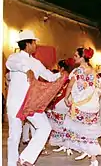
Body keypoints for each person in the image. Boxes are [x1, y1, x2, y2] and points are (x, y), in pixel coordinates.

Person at [6, 30, 61, 166]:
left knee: (45, 127)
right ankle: (12, 163)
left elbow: (49, 76)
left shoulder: (36, 62)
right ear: (28, 44)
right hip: (16, 102)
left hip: (31, 103)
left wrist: (64, 75)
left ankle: (26, 159)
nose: (36, 45)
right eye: (34, 42)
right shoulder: (14, 57)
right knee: (15, 136)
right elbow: (10, 65)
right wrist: (27, 69)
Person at [62, 47, 101, 166]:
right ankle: (93, 158)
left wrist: (66, 97)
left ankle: (83, 150)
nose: (74, 58)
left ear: (82, 57)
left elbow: (70, 86)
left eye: (76, 56)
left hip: (81, 106)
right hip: (92, 105)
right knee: (90, 131)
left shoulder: (77, 71)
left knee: (74, 127)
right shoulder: (94, 71)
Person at [46, 59, 73, 154]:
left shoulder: (61, 76)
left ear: (61, 67)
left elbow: (56, 89)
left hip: (61, 101)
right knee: (65, 123)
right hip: (68, 100)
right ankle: (66, 144)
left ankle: (63, 143)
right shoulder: (70, 76)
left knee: (58, 123)